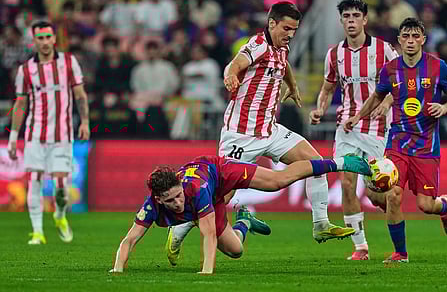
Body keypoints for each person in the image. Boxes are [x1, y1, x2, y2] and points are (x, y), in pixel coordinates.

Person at [166, 1, 358, 266]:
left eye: (294, 29)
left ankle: (321, 224)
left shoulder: (282, 48)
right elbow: (235, 64)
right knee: (221, 195)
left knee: (316, 163)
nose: (291, 34)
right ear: (272, 23)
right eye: (287, 28)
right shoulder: (257, 44)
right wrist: (231, 75)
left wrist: (292, 85)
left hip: (270, 130)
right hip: (241, 135)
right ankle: (181, 226)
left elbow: (284, 65)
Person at [110, 154, 372, 274]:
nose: (177, 202)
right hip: (212, 197)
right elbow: (129, 239)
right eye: (170, 200)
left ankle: (338, 162)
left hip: (219, 172)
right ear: (158, 199)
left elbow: (209, 235)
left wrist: (206, 271)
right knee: (236, 252)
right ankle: (244, 220)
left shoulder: (195, 190)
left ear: (181, 188)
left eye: (179, 195)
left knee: (277, 181)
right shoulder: (151, 205)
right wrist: (117, 270)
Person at [344, 17, 447, 263]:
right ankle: (401, 253)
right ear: (399, 40)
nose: (410, 41)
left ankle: (445, 207)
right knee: (392, 195)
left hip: (427, 146)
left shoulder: (438, 66)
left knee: (425, 205)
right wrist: (357, 117)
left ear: (423, 40)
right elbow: (376, 97)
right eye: (405, 36)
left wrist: (444, 107)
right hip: (397, 142)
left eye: (415, 36)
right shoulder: (391, 69)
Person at [309, 0, 399, 261]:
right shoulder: (334, 54)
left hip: (378, 128)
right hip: (346, 126)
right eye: (346, 16)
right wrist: (320, 109)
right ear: (341, 21)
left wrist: (387, 103)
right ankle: (360, 247)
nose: (351, 21)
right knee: (347, 184)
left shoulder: (384, 50)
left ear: (365, 20)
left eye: (355, 16)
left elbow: (400, 84)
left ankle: (377, 198)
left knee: (379, 191)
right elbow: (328, 87)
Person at [7, 20, 90, 244]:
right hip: (35, 135)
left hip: (62, 135)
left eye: (47, 37)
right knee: (34, 179)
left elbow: (80, 95)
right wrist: (14, 137)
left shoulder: (69, 63)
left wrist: (84, 122)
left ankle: (60, 215)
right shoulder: (26, 70)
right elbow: (20, 104)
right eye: (40, 38)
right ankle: (37, 232)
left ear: (54, 38)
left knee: (61, 187)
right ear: (34, 41)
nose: (44, 42)